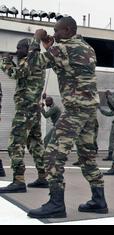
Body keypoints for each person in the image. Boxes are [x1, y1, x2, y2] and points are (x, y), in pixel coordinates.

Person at [26, 17, 108, 218]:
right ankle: (99, 200)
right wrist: (51, 46)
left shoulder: (63, 48)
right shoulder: (86, 47)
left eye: (58, 31)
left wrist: (36, 40)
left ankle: (56, 204)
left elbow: (33, 64)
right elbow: (67, 66)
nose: (54, 34)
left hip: (75, 111)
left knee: (52, 155)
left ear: (69, 30)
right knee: (87, 157)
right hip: (89, 111)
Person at [0, 38, 48, 193]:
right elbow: (23, 74)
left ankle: (18, 180)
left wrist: (5, 60)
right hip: (34, 110)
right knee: (35, 144)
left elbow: (15, 73)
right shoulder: (36, 62)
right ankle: (43, 177)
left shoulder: (29, 61)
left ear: (27, 49)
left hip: (25, 111)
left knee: (15, 144)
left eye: (19, 48)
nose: (17, 51)